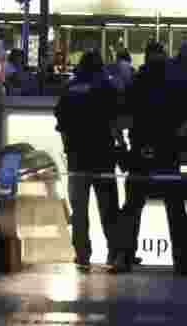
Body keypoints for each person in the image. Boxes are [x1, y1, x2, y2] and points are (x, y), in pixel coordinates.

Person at [112, 42, 187, 275]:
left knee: (132, 207)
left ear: (146, 57)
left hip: (141, 151)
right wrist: (177, 140)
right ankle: (182, 261)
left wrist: (123, 145)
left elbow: (121, 119)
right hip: (168, 152)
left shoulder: (137, 81)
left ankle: (124, 256)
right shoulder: (177, 80)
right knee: (175, 208)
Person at [54, 51, 121, 269]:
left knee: (79, 211)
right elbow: (115, 121)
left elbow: (61, 125)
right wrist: (120, 143)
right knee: (108, 208)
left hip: (76, 159)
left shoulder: (69, 88)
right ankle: (113, 253)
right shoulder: (106, 87)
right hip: (103, 157)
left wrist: (67, 149)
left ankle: (82, 254)